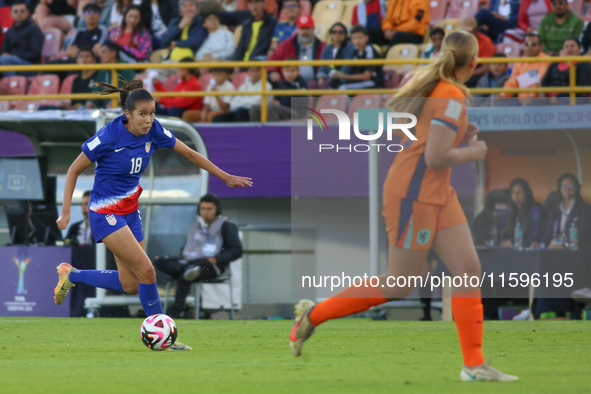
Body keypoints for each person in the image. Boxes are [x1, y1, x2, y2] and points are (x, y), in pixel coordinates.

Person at [289, 30, 518, 382]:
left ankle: (474, 366)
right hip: (413, 194)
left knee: (469, 270)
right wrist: (473, 151)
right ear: (474, 62)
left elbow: (415, 134)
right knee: (400, 283)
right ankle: (312, 315)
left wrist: (460, 133)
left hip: (436, 192)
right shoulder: (451, 94)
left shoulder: (437, 88)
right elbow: (435, 155)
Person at [53, 79, 253, 350]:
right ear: (128, 114)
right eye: (143, 114)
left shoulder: (154, 131)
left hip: (130, 211)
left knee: (131, 284)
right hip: (104, 213)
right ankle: (165, 339)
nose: (148, 120)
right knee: (147, 271)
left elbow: (190, 154)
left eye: (152, 113)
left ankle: (71, 275)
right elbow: (74, 170)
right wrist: (66, 211)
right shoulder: (108, 136)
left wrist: (225, 176)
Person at [155, 194, 243, 318]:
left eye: (209, 209)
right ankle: (188, 271)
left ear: (217, 210)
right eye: (202, 209)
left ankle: (176, 309)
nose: (205, 212)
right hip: (188, 262)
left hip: (210, 266)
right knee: (161, 261)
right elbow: (186, 249)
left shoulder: (227, 226)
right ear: (198, 211)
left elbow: (237, 250)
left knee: (192, 269)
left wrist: (217, 259)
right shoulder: (195, 227)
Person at [267, 15, 325, 84]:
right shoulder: (286, 44)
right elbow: (272, 60)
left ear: (313, 28)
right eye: (302, 29)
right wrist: (272, 71)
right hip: (290, 84)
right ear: (297, 29)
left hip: (315, 84)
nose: (304, 32)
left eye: (307, 28)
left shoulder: (323, 46)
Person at [330, 25, 384, 90]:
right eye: (354, 38)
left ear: (366, 38)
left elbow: (367, 76)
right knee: (333, 84)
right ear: (351, 40)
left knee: (343, 88)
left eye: (360, 37)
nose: (357, 41)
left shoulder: (369, 50)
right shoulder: (354, 51)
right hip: (359, 81)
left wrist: (344, 76)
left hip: (373, 82)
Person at [500, 34, 550, 100]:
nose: (529, 47)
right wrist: (503, 95)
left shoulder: (547, 60)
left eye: (533, 44)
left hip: (538, 101)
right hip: (522, 102)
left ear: (541, 47)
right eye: (527, 44)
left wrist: (521, 80)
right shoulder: (519, 62)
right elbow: (513, 82)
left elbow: (539, 78)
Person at [0, 1, 44, 77]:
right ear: (11, 14)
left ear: (27, 12)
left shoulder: (34, 29)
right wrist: (9, 56)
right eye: (16, 11)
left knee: (4, 60)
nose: (19, 13)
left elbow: (36, 54)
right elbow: (4, 51)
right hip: (11, 62)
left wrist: (14, 56)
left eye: (22, 11)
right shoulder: (9, 32)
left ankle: (12, 86)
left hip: (31, 66)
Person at [499, 178, 545, 248]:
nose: (516, 195)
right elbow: (503, 231)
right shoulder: (509, 210)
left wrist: (512, 241)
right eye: (513, 192)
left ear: (527, 193)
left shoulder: (535, 209)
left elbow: (535, 236)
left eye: (519, 192)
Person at [91, 40, 136, 108]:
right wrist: (90, 102)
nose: (100, 55)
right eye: (100, 52)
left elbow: (133, 92)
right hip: (105, 109)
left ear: (113, 53)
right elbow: (96, 92)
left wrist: (117, 102)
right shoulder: (102, 72)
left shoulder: (126, 69)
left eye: (103, 52)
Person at [315, 22, 355, 89]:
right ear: (330, 34)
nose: (337, 34)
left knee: (324, 86)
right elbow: (322, 67)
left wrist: (332, 78)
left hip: (341, 79)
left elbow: (346, 68)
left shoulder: (350, 47)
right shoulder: (327, 48)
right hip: (327, 78)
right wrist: (321, 78)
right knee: (311, 85)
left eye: (340, 32)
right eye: (334, 32)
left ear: (345, 34)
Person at [459, 16, 496, 88]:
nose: (465, 35)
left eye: (467, 32)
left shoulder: (486, 42)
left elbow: (487, 67)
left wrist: (469, 73)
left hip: (478, 75)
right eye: (463, 32)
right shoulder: (459, 41)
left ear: (476, 30)